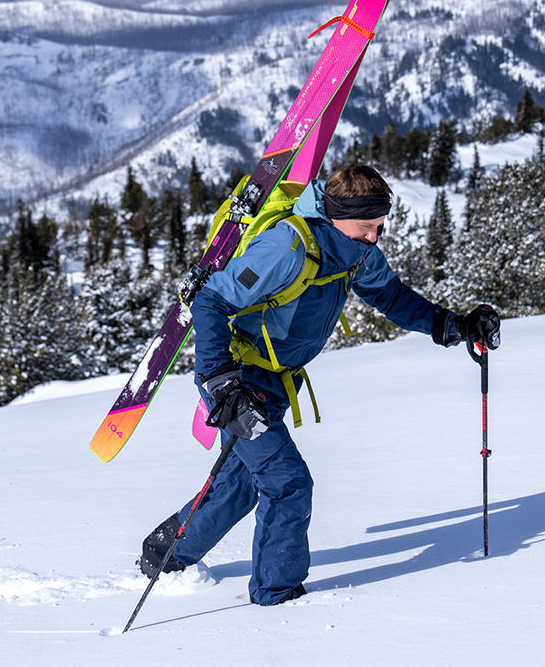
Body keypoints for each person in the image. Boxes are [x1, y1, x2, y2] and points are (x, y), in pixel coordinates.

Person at [138, 164, 500, 606]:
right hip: (235, 378)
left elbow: (390, 295)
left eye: (380, 226)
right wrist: (221, 383)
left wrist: (453, 325)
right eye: (367, 226)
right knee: (288, 483)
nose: (374, 236)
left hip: (272, 382)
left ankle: (163, 554)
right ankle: (279, 595)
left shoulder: (358, 252)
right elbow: (212, 299)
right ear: (335, 213)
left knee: (239, 486)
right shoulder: (287, 246)